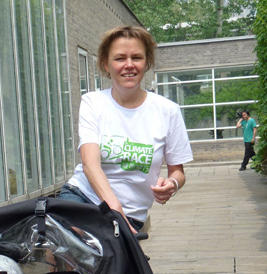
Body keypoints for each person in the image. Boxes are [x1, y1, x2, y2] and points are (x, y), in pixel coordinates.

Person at [58, 26, 193, 238]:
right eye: (120, 58)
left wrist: (172, 184)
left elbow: (178, 171)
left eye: (136, 57)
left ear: (146, 63)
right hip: (82, 197)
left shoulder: (168, 111)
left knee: (109, 267)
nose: (129, 65)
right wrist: (114, 210)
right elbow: (90, 164)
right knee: (61, 244)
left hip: (131, 214)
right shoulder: (93, 103)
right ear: (105, 63)